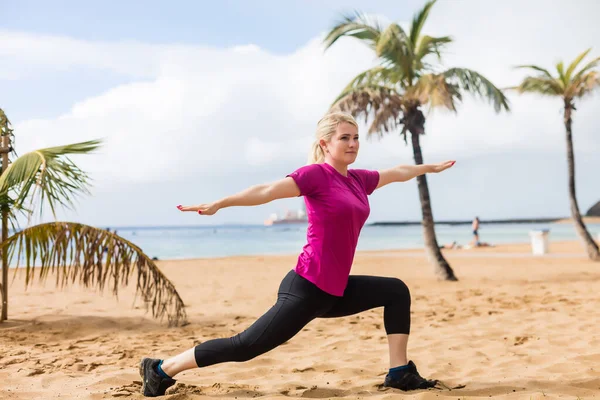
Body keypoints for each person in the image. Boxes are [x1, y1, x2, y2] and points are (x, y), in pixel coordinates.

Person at [139, 112, 456, 397]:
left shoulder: (359, 180)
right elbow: (266, 191)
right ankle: (160, 369)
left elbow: (395, 172)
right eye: (344, 138)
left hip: (336, 289)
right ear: (325, 143)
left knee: (396, 291)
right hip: (306, 286)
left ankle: (399, 372)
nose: (352, 143)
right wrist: (221, 203)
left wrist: (428, 168)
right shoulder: (316, 176)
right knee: (246, 346)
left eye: (356, 137)